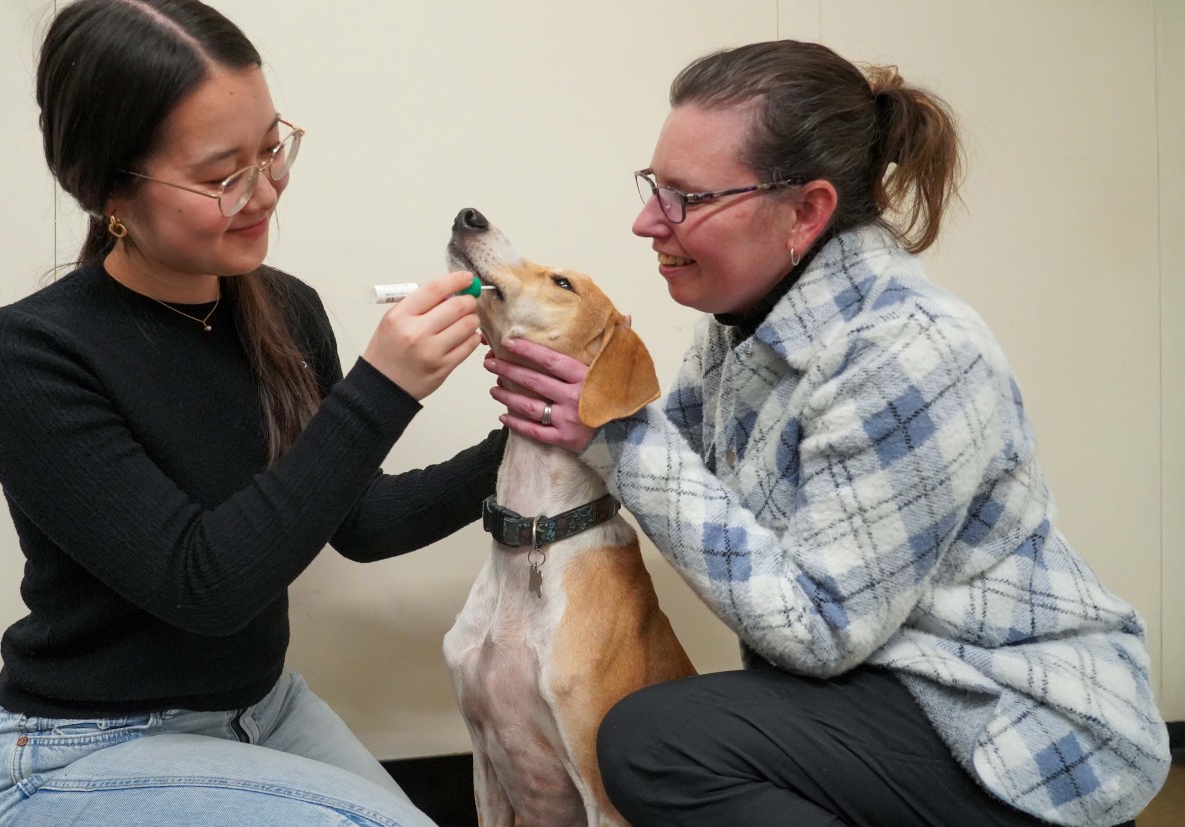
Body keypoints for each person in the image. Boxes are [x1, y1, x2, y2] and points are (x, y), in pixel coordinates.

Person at [485, 41, 1169, 826]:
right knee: (663, 734)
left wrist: (611, 431)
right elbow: (648, 451)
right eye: (653, 187)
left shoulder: (909, 347)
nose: (646, 221)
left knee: (655, 740)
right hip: (890, 689)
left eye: (685, 197)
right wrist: (548, 407)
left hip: (1012, 722)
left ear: (805, 212)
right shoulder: (744, 322)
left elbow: (818, 628)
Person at [0, 1, 502, 824]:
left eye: (273, 148)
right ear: (109, 188)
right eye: (223, 175)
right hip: (85, 748)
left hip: (264, 708)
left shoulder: (283, 307)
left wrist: (532, 439)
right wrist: (382, 389)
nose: (266, 191)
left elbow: (357, 522)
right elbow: (204, 585)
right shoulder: (22, 356)